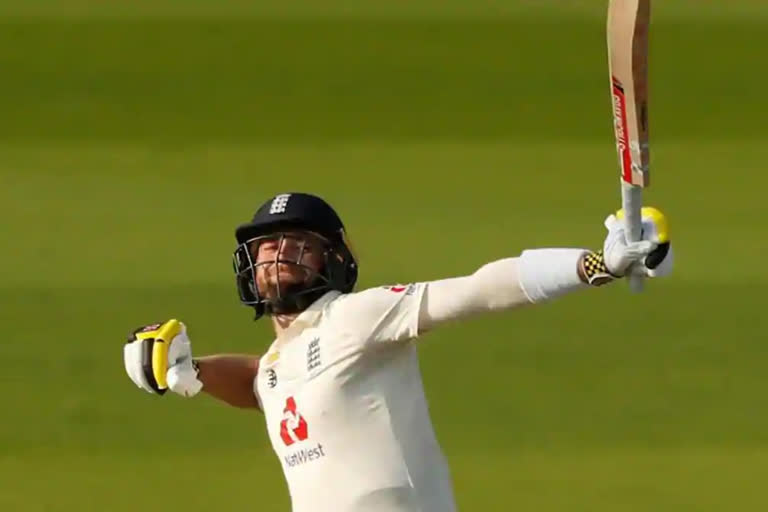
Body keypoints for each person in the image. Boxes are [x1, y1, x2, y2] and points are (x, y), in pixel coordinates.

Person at [123, 192, 673, 512]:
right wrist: (186, 371)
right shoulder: (278, 367)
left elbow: (476, 290)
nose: (279, 252)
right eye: (267, 245)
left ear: (333, 260)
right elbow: (258, 384)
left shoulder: (356, 317)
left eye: (299, 243)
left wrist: (594, 267)